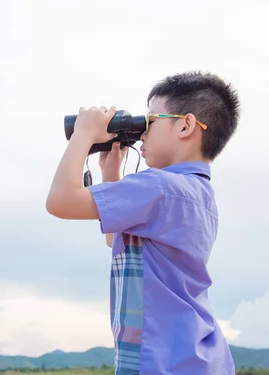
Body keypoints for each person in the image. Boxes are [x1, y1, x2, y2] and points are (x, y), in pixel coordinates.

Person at [46, 71, 240, 375]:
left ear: (186, 125)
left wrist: (84, 134)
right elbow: (117, 240)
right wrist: (111, 175)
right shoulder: (198, 193)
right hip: (196, 357)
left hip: (161, 361)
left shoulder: (159, 187)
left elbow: (60, 201)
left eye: (150, 122)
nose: (142, 133)